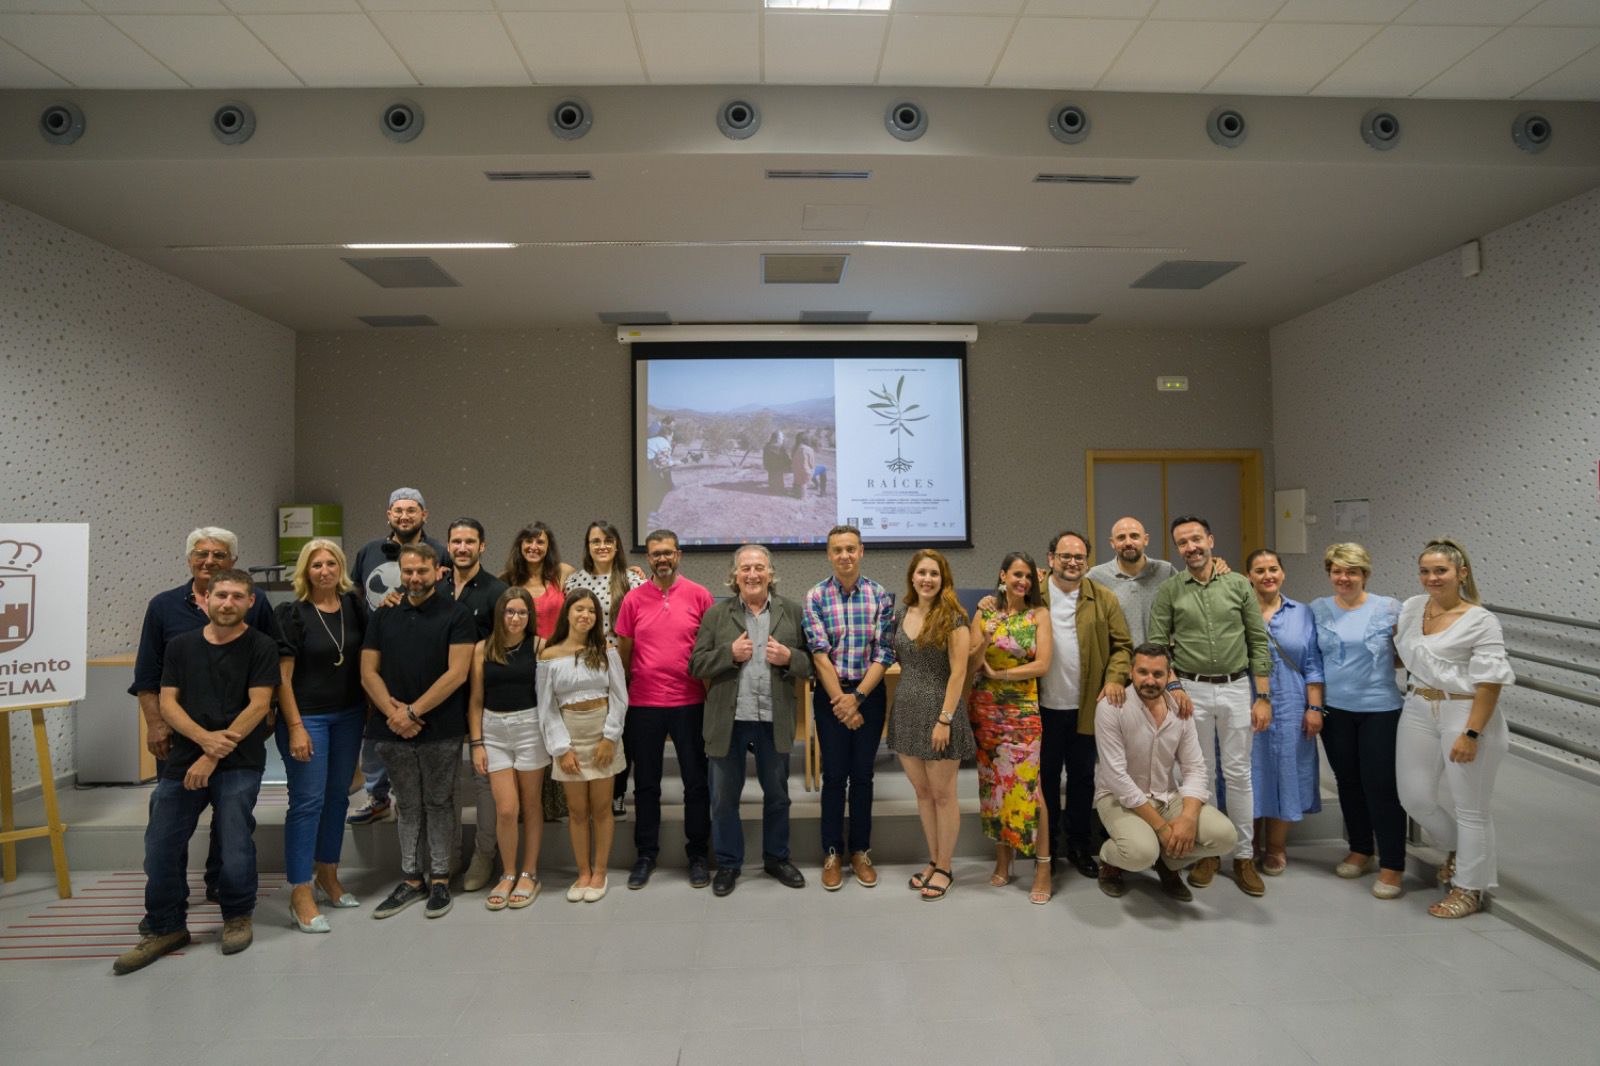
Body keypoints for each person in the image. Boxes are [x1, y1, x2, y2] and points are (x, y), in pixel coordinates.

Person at [114, 570, 279, 974]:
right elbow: (168, 703)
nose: (227, 603)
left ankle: (237, 915)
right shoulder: (181, 647)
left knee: (235, 838)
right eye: (220, 595)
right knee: (161, 843)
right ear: (205, 599)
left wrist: (215, 752)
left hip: (238, 758)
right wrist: (204, 742)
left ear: (250, 603)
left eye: (237, 597)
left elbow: (258, 705)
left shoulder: (261, 646)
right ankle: (165, 925)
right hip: (185, 757)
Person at [129, 526, 277, 912]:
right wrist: (157, 723)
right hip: (179, 740)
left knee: (231, 829)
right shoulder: (164, 609)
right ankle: (167, 913)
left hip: (237, 740)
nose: (209, 561)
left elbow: (266, 674)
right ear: (190, 560)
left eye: (219, 555)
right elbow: (150, 676)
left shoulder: (257, 611)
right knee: (165, 834)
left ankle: (224, 891)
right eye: (201, 553)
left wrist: (227, 740)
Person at [1147, 515, 1272, 897]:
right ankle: (1210, 854)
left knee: (1238, 773)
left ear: (1211, 539)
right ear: (1177, 549)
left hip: (1236, 688)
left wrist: (1262, 696)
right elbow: (1156, 644)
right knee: (1199, 773)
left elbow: (1257, 641)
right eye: (1183, 543)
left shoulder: (1238, 585)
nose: (1191, 547)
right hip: (1190, 691)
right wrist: (1173, 686)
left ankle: (1244, 856)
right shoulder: (1170, 590)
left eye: (1196, 539)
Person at [1394, 538, 1513, 919]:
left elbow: (1490, 682)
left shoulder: (1481, 620)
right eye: (1425, 571)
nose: (1432, 578)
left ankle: (1470, 887)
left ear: (1461, 573)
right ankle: (1462, 853)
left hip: (1463, 713)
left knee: (1471, 809)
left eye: (1440, 570)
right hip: (1416, 706)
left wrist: (1472, 733)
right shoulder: (1413, 608)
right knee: (1414, 798)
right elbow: (1404, 652)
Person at [361, 542, 476, 920]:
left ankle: (440, 877)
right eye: (407, 572)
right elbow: (368, 672)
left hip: (439, 726)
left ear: (437, 572)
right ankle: (411, 878)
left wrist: (412, 711)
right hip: (392, 727)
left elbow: (457, 673)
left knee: (440, 803)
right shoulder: (383, 616)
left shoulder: (456, 615)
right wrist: (394, 713)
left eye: (421, 572)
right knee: (407, 804)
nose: (413, 578)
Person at [690, 545, 813, 896]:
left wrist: (790, 658)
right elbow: (696, 665)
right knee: (724, 798)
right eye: (746, 568)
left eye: (759, 567)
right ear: (735, 576)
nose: (753, 574)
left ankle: (777, 858)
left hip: (773, 718)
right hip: (728, 721)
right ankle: (729, 864)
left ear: (770, 573)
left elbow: (811, 663)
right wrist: (728, 654)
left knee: (777, 796)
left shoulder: (792, 612)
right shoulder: (717, 614)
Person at [1094, 643, 1240, 901]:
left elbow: (1195, 768)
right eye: (1143, 672)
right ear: (1130, 672)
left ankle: (1167, 864)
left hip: (1166, 795)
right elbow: (1117, 777)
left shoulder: (1180, 710)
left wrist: (1188, 818)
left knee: (1225, 837)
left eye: (1158, 674)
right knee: (1140, 853)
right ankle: (1109, 860)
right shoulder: (1111, 707)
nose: (1150, 680)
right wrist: (1162, 828)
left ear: (1169, 674)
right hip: (1118, 798)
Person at [274, 540, 368, 933]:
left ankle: (328, 874)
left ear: (341, 567)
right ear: (305, 571)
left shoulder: (354, 607)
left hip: (349, 716)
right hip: (307, 718)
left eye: (331, 563)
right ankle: (300, 891)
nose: (324, 571)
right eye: (316, 565)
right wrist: (295, 725)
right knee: (307, 803)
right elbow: (282, 678)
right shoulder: (291, 614)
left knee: (336, 798)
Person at [614, 529, 715, 890]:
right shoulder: (633, 600)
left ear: (679, 555)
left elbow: (710, 646)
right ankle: (646, 854)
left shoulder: (700, 595)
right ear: (649, 559)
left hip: (690, 702)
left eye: (668, 553)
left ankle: (699, 855)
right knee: (646, 785)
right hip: (644, 704)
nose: (662, 558)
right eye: (655, 553)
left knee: (696, 783)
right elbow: (624, 651)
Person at [1311, 542, 1408, 898]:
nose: (1343, 578)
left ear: (1365, 574)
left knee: (1380, 785)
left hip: (1379, 709)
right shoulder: (1318, 609)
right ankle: (1361, 849)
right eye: (1337, 571)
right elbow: (1313, 659)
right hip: (1336, 709)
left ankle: (1393, 863)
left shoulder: (1388, 608)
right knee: (1347, 781)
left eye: (1351, 571)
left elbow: (1404, 654)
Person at [803, 524, 896, 891]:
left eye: (851, 549)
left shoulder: (880, 597)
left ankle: (860, 850)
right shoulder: (815, 597)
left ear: (861, 552)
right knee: (834, 776)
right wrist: (841, 702)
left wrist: (856, 699)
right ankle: (831, 852)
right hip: (830, 696)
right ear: (829, 554)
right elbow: (819, 653)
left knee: (863, 776)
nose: (844, 555)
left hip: (868, 696)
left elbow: (884, 653)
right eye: (837, 549)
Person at [348, 488, 446, 827]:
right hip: (378, 650)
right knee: (376, 727)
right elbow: (357, 596)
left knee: (421, 723)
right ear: (389, 515)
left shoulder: (440, 551)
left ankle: (413, 798)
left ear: (424, 514)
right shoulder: (368, 552)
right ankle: (377, 797)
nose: (405, 516)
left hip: (424, 653)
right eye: (398, 510)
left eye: (412, 510)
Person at [887, 549, 974, 902]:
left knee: (943, 795)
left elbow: (959, 673)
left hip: (941, 714)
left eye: (934, 574)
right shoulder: (900, 615)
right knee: (923, 794)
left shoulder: (953, 617)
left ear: (943, 579)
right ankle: (933, 859)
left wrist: (945, 719)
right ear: (912, 576)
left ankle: (946, 867)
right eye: (921, 572)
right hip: (906, 711)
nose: (927, 579)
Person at [968, 551, 1054, 904]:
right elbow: (972, 662)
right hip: (985, 711)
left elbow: (1042, 665)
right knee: (995, 788)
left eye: (1029, 577)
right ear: (1002, 575)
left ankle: (1044, 866)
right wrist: (985, 635)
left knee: (1029, 788)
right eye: (1017, 574)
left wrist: (1001, 673)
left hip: (1022, 712)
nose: (1023, 581)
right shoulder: (984, 610)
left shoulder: (1039, 615)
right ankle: (1004, 857)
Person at [539, 589, 629, 902]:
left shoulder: (606, 649)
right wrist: (560, 749)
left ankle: (600, 871)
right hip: (568, 734)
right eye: (579, 609)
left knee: (602, 808)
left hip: (603, 732)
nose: (585, 616)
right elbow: (546, 707)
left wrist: (609, 738)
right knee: (577, 811)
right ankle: (583, 872)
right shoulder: (550, 654)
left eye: (591, 611)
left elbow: (620, 696)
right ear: (567, 613)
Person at [1243, 549, 1325, 876]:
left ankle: (1276, 846)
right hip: (1248, 699)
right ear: (1248, 575)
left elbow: (1313, 664)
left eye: (1273, 569)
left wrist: (1315, 707)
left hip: (1293, 701)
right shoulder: (1239, 610)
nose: (1267, 576)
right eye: (1259, 570)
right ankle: (1248, 843)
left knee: (1286, 770)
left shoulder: (1302, 613)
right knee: (1251, 769)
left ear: (1283, 573)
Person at [467, 588, 548, 911]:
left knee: (530, 805)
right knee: (506, 809)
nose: (516, 618)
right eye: (510, 612)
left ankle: (529, 873)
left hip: (530, 728)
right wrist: (477, 744)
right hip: (493, 730)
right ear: (500, 615)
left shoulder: (540, 646)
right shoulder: (482, 648)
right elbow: (475, 701)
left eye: (522, 613)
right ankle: (508, 871)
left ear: (530, 617)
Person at [440, 518, 510, 894]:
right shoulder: (434, 588)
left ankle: (484, 853)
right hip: (440, 700)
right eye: (456, 541)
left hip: (483, 700)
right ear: (448, 546)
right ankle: (448, 854)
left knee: (485, 782)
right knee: (448, 782)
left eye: (470, 541)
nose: (462, 547)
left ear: (482, 546)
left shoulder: (498, 592)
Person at [565, 520, 645, 817]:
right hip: (586, 669)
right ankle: (590, 790)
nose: (602, 546)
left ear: (617, 546)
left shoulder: (633, 580)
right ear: (587, 547)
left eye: (608, 540)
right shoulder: (574, 581)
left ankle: (618, 792)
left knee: (622, 732)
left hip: (623, 665)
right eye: (595, 541)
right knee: (592, 731)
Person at [1085, 516, 1177, 646]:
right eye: (1121, 537)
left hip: (1157, 661)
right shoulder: (1095, 577)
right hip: (1117, 662)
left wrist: (1213, 565)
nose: (1128, 542)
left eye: (1134, 536)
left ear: (1146, 540)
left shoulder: (1165, 571)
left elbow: (1189, 604)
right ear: (1112, 543)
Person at [501, 521, 575, 640]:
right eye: (529, 541)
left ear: (548, 547)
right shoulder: (506, 579)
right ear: (520, 545)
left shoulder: (564, 572)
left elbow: (576, 613)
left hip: (557, 653)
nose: (533, 547)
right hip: (522, 654)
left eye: (540, 542)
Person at [791, 432, 816, 500]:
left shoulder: (794, 448)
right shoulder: (809, 449)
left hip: (796, 473)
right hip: (805, 474)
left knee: (801, 469)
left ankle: (797, 489)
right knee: (822, 469)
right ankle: (821, 489)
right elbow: (812, 464)